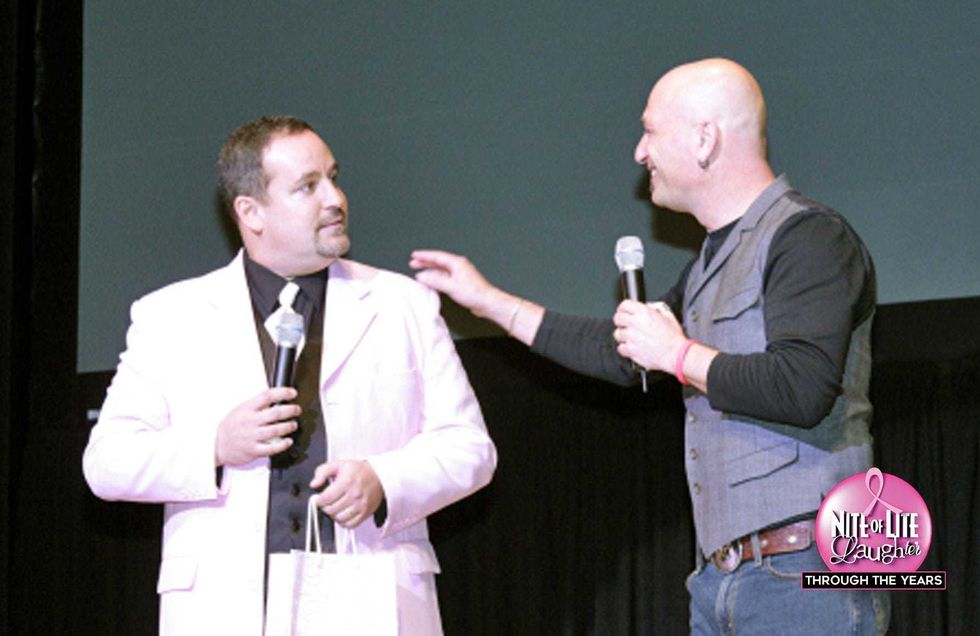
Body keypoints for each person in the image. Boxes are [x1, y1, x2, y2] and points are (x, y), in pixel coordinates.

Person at [410, 58, 888, 634]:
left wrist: (678, 355)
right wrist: (487, 301)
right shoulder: (709, 265)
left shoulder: (809, 236)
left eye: (650, 131)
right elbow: (623, 355)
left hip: (805, 572)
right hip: (721, 580)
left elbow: (802, 387)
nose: (639, 153)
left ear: (705, 138)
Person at [83, 115, 496, 636]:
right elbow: (107, 463)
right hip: (223, 608)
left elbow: (470, 448)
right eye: (308, 186)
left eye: (333, 178)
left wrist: (383, 479)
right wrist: (216, 446)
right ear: (250, 212)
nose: (335, 199)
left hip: (373, 598)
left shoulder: (403, 305)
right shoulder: (170, 317)